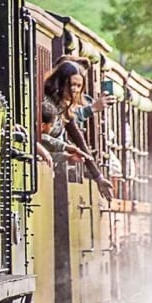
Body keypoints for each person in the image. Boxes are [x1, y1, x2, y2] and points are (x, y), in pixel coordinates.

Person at [40, 59, 113, 200]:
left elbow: (80, 142)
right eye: (72, 84)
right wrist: (66, 147)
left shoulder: (64, 108)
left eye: (79, 86)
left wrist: (98, 177)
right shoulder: (46, 104)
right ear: (61, 82)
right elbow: (37, 138)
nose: (75, 89)